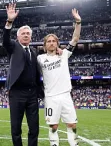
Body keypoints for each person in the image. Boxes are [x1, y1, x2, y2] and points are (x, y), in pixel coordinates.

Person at [37, 8, 82, 146]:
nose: (51, 43)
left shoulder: (64, 54)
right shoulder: (40, 58)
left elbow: (75, 38)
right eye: (48, 41)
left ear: (57, 43)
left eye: (53, 41)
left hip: (65, 95)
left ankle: (74, 144)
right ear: (44, 45)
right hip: (50, 97)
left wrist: (78, 21)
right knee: (53, 126)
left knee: (72, 124)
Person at [2, 3, 43, 146]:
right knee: (16, 127)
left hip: (32, 94)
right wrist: (10, 21)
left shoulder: (34, 52)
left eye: (28, 34)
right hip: (17, 93)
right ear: (18, 37)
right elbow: (5, 40)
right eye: (23, 33)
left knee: (34, 128)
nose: (26, 35)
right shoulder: (13, 47)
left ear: (31, 37)